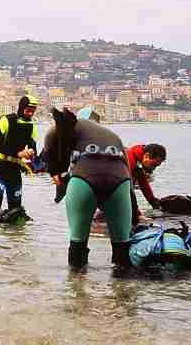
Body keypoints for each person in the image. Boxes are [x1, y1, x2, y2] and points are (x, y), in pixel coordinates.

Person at [44, 108, 133, 270]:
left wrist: (53, 171)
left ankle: (76, 282)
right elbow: (129, 176)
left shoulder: (68, 127)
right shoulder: (113, 136)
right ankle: (122, 283)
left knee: (78, 239)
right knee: (122, 244)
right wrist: (136, 212)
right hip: (120, 181)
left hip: (84, 178)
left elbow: (50, 138)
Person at [0, 94, 39, 211]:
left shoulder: (31, 126)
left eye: (33, 111)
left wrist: (31, 152)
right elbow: (0, 147)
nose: (30, 114)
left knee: (15, 210)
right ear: (21, 107)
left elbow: (33, 148)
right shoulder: (5, 120)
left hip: (14, 169)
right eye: (28, 110)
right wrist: (19, 154)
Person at [126, 143, 166, 224]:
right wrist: (138, 215)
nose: (153, 169)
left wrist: (154, 204)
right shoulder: (129, 160)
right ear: (146, 155)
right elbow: (127, 191)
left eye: (156, 166)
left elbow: (144, 184)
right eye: (153, 164)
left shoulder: (137, 158)